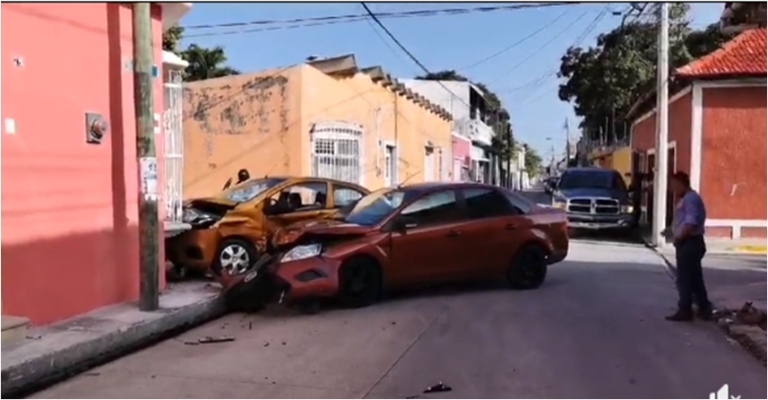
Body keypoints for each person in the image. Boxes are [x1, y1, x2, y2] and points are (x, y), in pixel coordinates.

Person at [665, 171, 712, 322]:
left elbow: (691, 222)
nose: (673, 189)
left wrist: (679, 238)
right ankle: (704, 308)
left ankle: (685, 309)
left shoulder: (690, 199)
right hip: (692, 242)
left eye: (674, 185)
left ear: (680, 184)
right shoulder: (689, 198)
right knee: (695, 278)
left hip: (689, 242)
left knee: (684, 278)